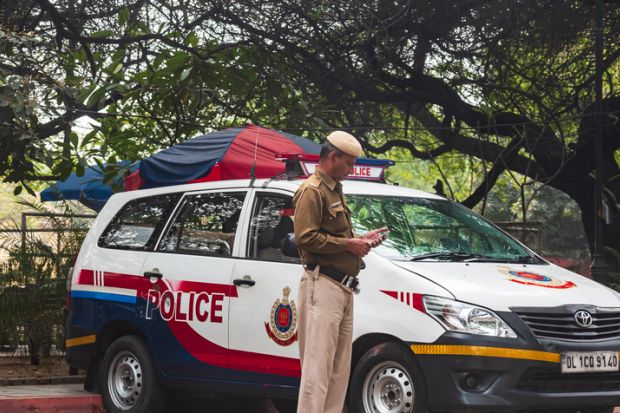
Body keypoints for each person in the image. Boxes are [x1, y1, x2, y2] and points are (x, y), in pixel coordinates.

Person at [293, 131, 388, 413]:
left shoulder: (334, 188)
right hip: (321, 283)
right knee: (317, 371)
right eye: (348, 163)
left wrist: (360, 240)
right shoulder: (312, 190)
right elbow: (305, 238)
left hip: (343, 287)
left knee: (337, 372)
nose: (350, 169)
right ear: (332, 157)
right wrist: (350, 244)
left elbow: (332, 236)